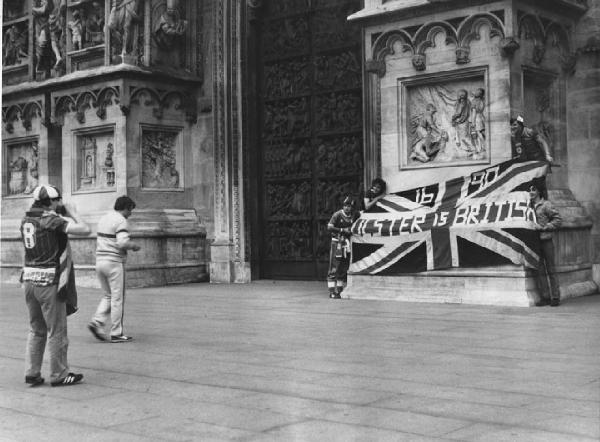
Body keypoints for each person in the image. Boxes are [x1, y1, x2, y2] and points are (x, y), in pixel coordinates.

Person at [20, 185, 91, 387]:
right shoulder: (50, 219)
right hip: (50, 281)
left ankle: (32, 372)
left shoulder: (26, 219)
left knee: (36, 329)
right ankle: (59, 373)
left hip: (30, 280)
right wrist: (73, 212)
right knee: (56, 330)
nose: (61, 203)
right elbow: (86, 230)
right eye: (58, 199)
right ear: (50, 201)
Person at [88, 196, 141, 342]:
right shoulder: (121, 220)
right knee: (118, 299)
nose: (130, 214)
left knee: (108, 296)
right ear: (126, 207)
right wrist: (134, 246)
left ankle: (97, 322)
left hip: (100, 261)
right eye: (131, 210)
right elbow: (122, 242)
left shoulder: (104, 218)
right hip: (114, 262)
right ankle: (117, 333)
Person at [529, 184, 562, 306]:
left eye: (533, 189)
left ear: (539, 191)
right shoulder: (528, 206)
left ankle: (555, 297)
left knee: (551, 269)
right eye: (529, 190)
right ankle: (545, 297)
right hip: (534, 243)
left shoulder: (546, 205)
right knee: (539, 271)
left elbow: (558, 220)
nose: (531, 192)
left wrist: (544, 227)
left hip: (546, 241)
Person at [511, 115, 554, 196]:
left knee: (541, 185)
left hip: (538, 161)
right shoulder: (514, 137)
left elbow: (543, 142)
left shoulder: (530, 132)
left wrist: (547, 155)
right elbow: (516, 151)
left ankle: (544, 203)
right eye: (511, 125)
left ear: (520, 125)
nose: (513, 127)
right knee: (529, 186)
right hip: (527, 164)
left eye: (515, 124)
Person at [326, 196, 359, 299]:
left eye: (349, 206)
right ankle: (331, 291)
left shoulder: (354, 215)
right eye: (345, 206)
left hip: (347, 244)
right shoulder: (337, 215)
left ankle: (340, 290)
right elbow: (329, 227)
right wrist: (341, 230)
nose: (347, 208)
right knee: (334, 266)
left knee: (343, 267)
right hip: (337, 243)